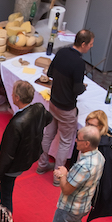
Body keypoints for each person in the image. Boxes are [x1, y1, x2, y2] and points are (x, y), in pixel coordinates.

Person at [36, 126, 104, 222]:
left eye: (78, 139)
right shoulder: (99, 157)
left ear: (86, 143)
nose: (75, 141)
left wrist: (63, 175)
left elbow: (67, 189)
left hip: (69, 208)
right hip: (83, 206)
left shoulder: (83, 166)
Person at [35, 29, 95, 182]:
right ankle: (58, 176)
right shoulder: (79, 63)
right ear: (83, 44)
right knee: (65, 141)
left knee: (48, 134)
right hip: (67, 107)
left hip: (54, 101)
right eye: (90, 44)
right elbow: (77, 89)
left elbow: (50, 73)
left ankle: (41, 165)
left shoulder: (61, 52)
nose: (91, 47)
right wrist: (83, 87)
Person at [0, 80, 47, 222]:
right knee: (7, 191)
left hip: (13, 165)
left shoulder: (16, 124)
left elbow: (7, 154)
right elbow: (48, 119)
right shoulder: (38, 108)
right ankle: (0, 215)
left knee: (5, 194)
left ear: (16, 98)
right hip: (26, 159)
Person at [81, 110, 112, 222]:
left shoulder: (104, 150)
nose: (87, 127)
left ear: (101, 128)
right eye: (87, 123)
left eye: (92, 125)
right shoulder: (86, 139)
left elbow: (106, 179)